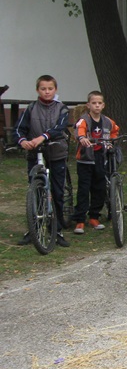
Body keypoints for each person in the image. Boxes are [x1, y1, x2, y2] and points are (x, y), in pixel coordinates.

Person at [14, 75, 71, 247]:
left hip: (56, 153)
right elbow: (19, 129)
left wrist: (43, 137)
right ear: (37, 90)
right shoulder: (31, 108)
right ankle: (34, 228)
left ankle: (57, 230)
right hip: (35, 153)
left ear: (55, 90)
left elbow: (59, 128)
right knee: (36, 191)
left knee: (57, 192)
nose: (47, 92)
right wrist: (23, 141)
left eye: (50, 89)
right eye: (43, 89)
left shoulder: (62, 108)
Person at [72, 91, 120, 235]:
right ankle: (80, 219)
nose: (97, 105)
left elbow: (115, 131)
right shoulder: (84, 120)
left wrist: (111, 142)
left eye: (99, 103)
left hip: (100, 157)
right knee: (84, 188)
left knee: (99, 187)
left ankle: (94, 216)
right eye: (94, 103)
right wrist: (82, 138)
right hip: (85, 159)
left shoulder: (107, 121)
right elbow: (79, 130)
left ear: (103, 105)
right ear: (88, 105)